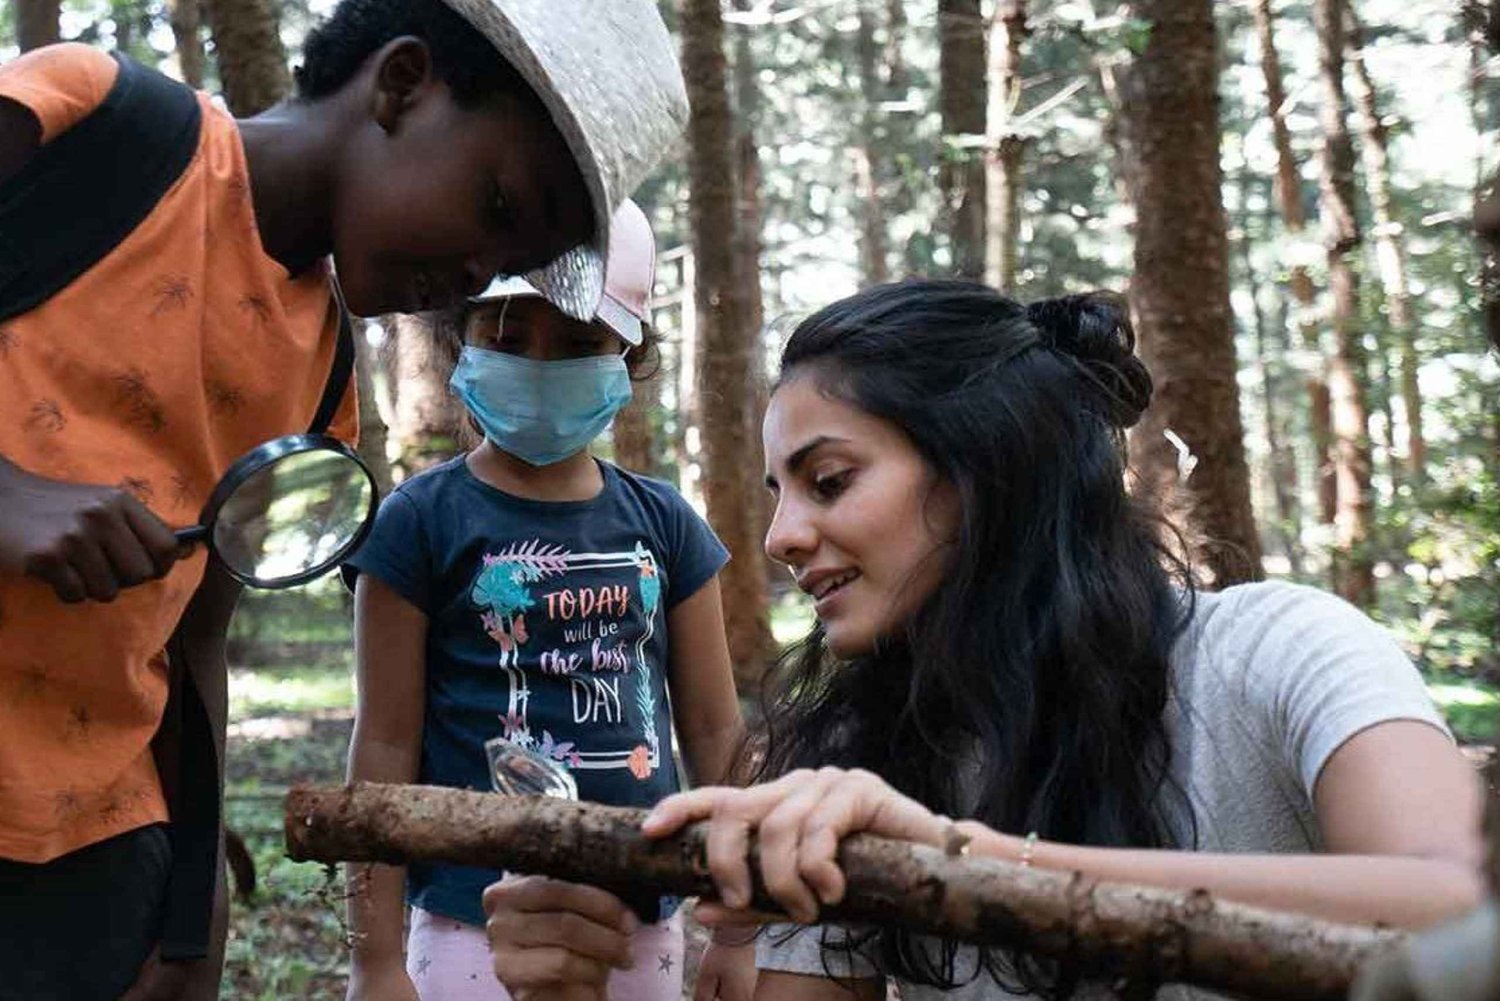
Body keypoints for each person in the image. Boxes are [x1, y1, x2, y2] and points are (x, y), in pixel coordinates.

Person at [480, 280, 1486, 1000]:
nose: (782, 536)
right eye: (780, 493)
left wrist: (981, 859)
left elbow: (1456, 904)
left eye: (828, 480)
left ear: (985, 471)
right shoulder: (849, 763)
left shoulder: (1280, 650)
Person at [0, 0, 687, 996]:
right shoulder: (90, 124)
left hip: (96, 860)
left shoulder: (322, 376)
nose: (473, 273)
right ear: (402, 84)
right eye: (497, 206)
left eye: (506, 263)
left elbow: (194, 633)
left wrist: (192, 901)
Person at [342, 200, 753, 1001]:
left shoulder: (665, 522)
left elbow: (713, 728)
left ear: (626, 356)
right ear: (463, 340)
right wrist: (375, 961)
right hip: (470, 919)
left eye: (577, 343)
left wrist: (736, 930)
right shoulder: (418, 521)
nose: (539, 361)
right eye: (507, 336)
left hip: (639, 915)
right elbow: (384, 743)